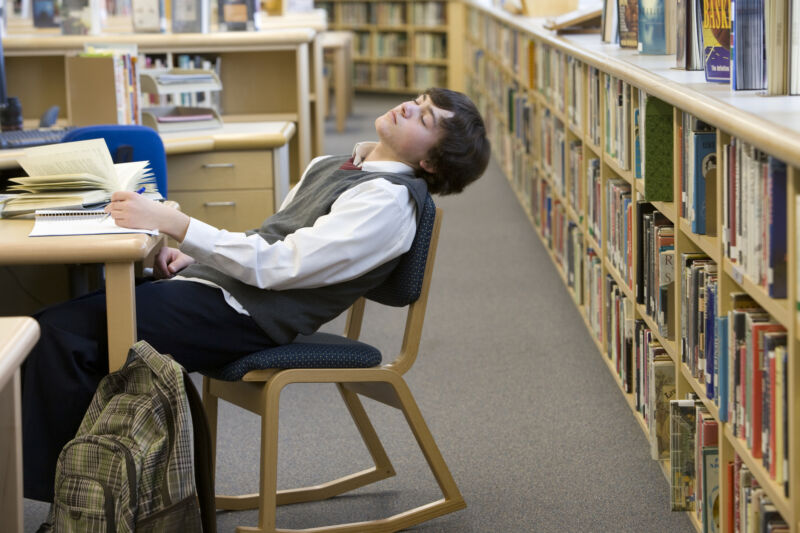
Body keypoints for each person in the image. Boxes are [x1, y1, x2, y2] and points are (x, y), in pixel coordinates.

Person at [21, 87, 490, 502]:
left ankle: (66, 503)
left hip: (248, 318)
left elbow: (283, 266)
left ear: (429, 163)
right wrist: (197, 260)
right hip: (222, 296)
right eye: (420, 101)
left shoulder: (387, 201)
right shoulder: (334, 165)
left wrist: (177, 226)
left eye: (424, 118)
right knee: (52, 324)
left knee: (61, 336)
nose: (411, 106)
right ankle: (80, 491)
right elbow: (271, 237)